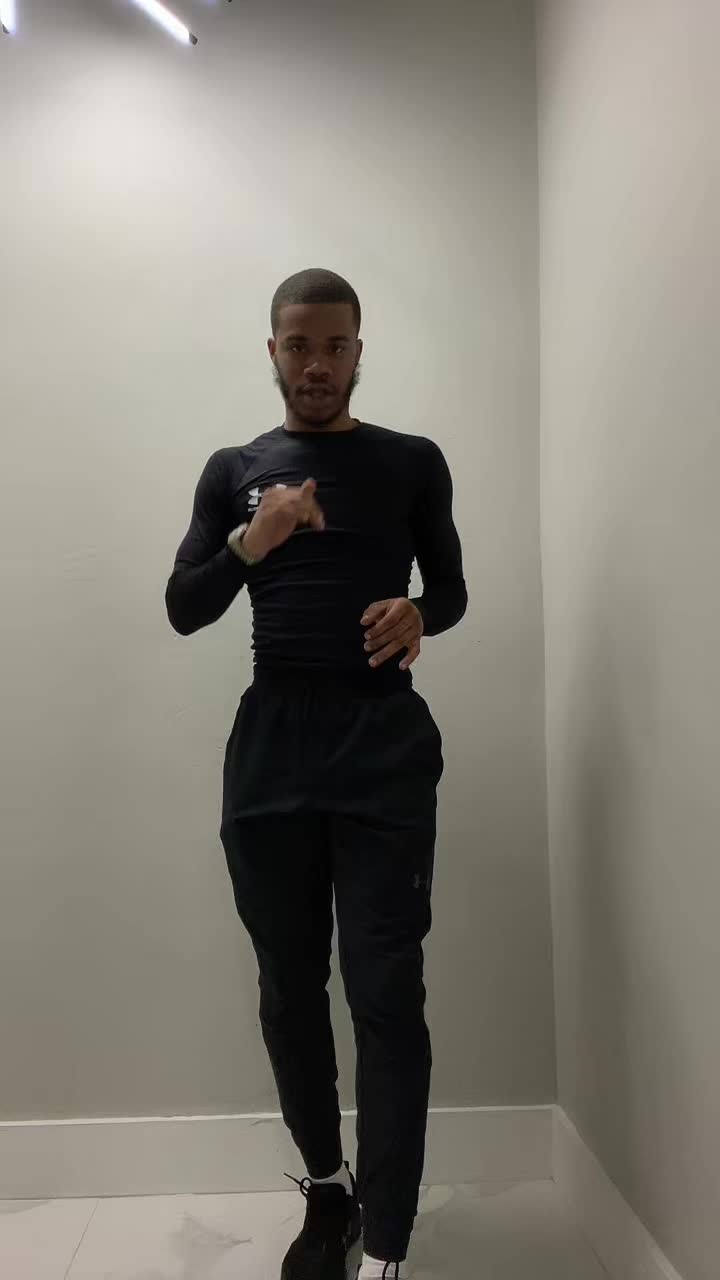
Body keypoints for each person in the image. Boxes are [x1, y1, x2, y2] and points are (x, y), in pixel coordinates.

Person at [165, 268, 467, 1280]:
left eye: (335, 345)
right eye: (299, 345)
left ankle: (389, 1243)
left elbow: (452, 589)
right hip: (272, 746)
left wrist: (419, 610)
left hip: (382, 743)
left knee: (387, 992)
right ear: (274, 350)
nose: (317, 364)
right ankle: (330, 1193)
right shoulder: (236, 469)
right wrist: (255, 539)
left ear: (358, 351)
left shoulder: (411, 462)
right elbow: (184, 605)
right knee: (290, 989)